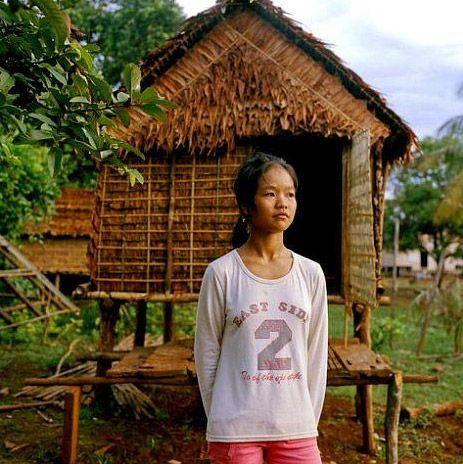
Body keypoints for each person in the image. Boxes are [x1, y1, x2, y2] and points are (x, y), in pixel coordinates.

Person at [194, 152, 328, 464]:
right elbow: (207, 353)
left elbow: (316, 356)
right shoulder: (222, 273)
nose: (283, 203)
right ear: (245, 205)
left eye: (290, 194)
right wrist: (221, 417)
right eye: (270, 194)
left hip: (296, 428)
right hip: (235, 431)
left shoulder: (310, 274)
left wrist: (307, 421)